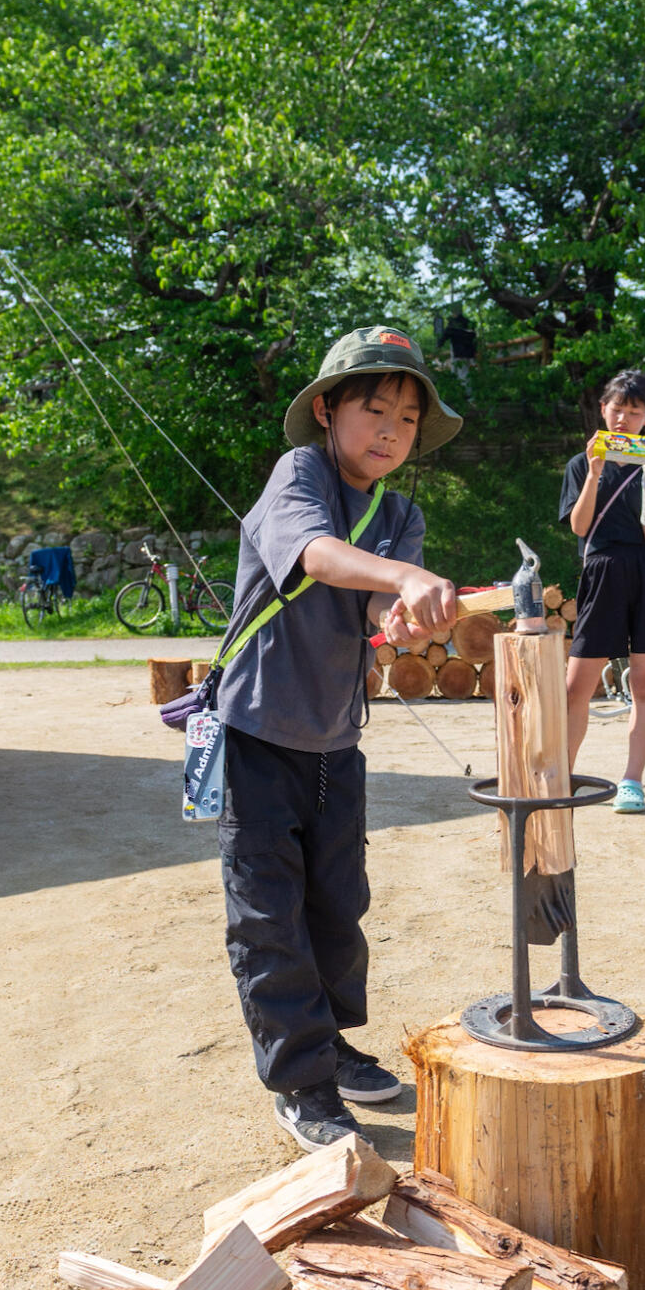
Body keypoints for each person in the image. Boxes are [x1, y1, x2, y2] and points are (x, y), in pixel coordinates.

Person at [216, 325, 462, 1149]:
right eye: (374, 407)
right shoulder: (301, 474)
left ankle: (332, 1044)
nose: (390, 429)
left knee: (338, 907)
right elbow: (318, 558)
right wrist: (403, 578)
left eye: (406, 417)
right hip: (257, 733)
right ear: (326, 409)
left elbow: (369, 613)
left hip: (334, 739)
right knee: (270, 913)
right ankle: (301, 1083)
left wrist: (399, 614)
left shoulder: (403, 515)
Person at [559, 369, 645, 813]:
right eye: (617, 408)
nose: (624, 418)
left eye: (635, 411)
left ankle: (632, 780)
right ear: (603, 410)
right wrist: (593, 472)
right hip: (601, 570)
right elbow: (579, 525)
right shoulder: (579, 464)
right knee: (577, 687)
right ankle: (562, 777)